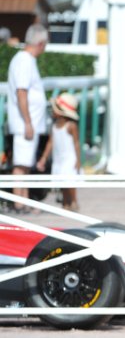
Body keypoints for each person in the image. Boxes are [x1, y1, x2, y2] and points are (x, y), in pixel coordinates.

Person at [6, 23, 48, 211]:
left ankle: (24, 201)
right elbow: (21, 93)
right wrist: (28, 122)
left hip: (28, 123)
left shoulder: (25, 60)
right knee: (21, 164)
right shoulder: (24, 61)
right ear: (40, 43)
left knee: (25, 164)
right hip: (25, 124)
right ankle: (19, 203)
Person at [37, 92, 81, 210]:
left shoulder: (71, 126)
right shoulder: (54, 127)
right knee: (62, 182)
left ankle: (73, 201)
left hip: (69, 158)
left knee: (70, 181)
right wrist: (44, 158)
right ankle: (66, 202)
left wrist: (78, 160)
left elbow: (76, 144)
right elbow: (50, 143)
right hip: (59, 159)